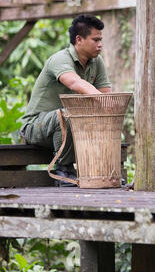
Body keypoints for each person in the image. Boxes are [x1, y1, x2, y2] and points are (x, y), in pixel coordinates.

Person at [20, 14, 112, 186]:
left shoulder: (96, 62)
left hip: (69, 126)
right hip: (36, 126)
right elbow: (75, 82)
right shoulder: (60, 59)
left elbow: (105, 94)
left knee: (101, 117)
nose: (100, 44)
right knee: (69, 115)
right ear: (79, 39)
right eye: (95, 39)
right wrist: (106, 103)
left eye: (101, 40)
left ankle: (102, 172)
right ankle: (64, 170)